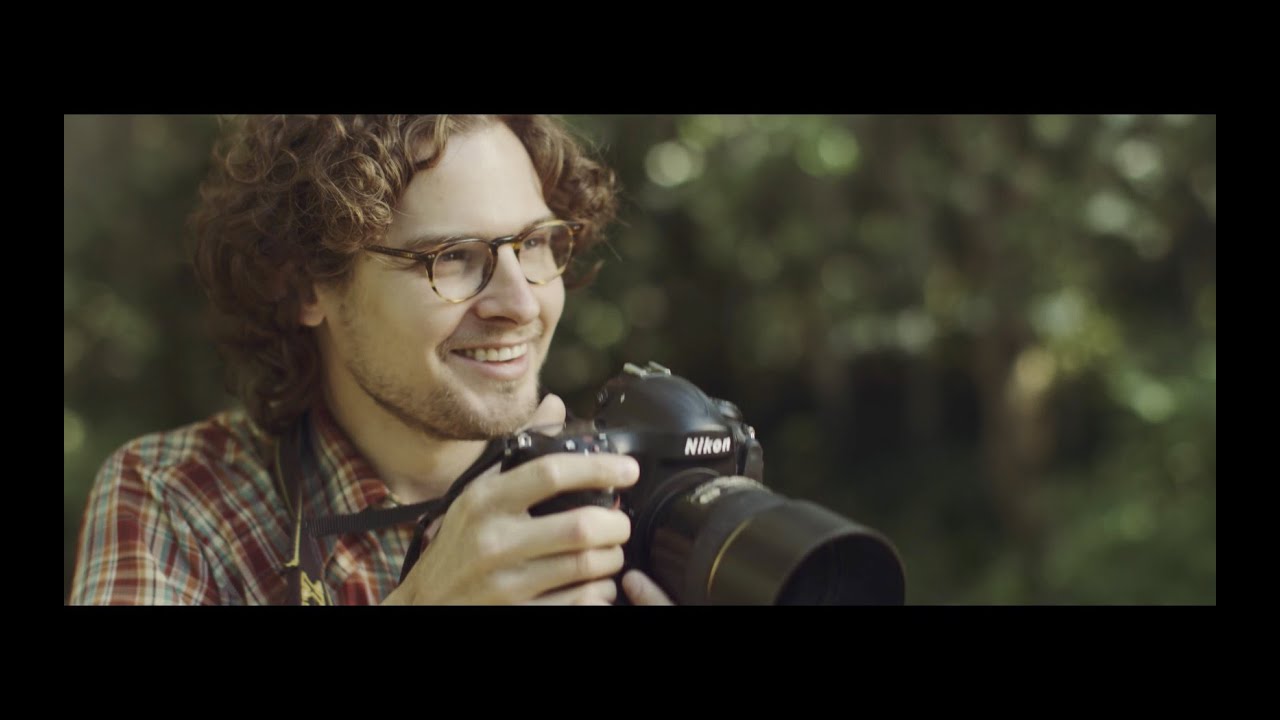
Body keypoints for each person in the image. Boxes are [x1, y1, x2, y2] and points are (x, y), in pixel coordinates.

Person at [68, 114, 674, 606]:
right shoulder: (179, 501)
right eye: (454, 257)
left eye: (536, 243)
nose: (520, 302)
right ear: (308, 287)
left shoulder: (623, 495)